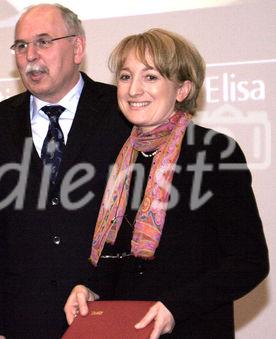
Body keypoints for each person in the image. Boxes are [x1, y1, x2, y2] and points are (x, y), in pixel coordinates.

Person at [64, 28, 269, 338]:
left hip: (193, 328)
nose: (133, 90)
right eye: (125, 76)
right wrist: (90, 287)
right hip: (125, 330)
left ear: (183, 89)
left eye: (150, 77)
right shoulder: (119, 158)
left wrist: (176, 306)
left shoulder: (214, 152)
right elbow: (117, 256)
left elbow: (248, 262)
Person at [0, 3, 130, 338]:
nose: (31, 55)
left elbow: (131, 221)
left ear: (78, 47)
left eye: (43, 42)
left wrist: (98, 285)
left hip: (106, 312)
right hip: (21, 320)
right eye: (21, 46)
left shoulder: (122, 113)